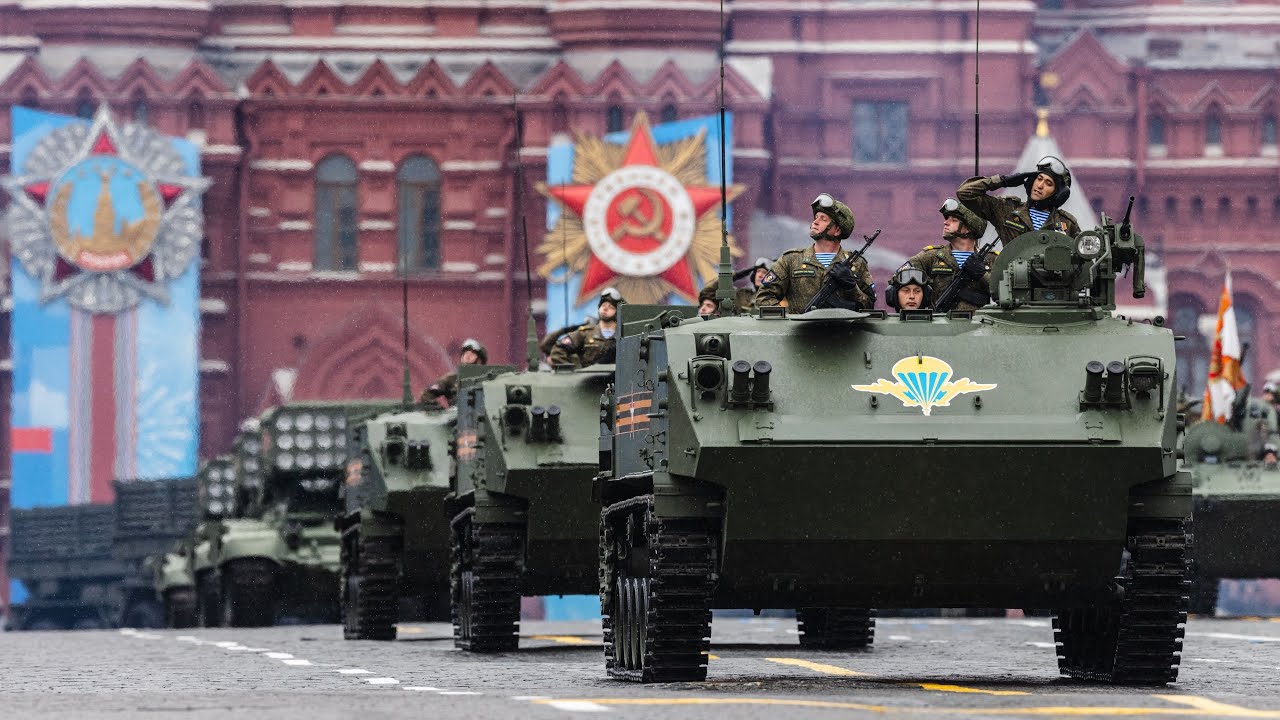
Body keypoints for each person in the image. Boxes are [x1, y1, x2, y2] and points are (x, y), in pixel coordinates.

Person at [755, 193, 875, 311]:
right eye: (816, 217)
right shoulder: (790, 260)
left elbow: (869, 306)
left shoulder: (857, 264)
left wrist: (852, 287)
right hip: (801, 330)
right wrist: (792, 319)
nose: (815, 222)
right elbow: (763, 298)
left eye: (823, 219)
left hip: (844, 330)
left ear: (837, 230)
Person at [956, 155, 1081, 245]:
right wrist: (1003, 181)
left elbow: (1083, 263)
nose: (1040, 185)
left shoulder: (1067, 224)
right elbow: (965, 193)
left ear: (1057, 194)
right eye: (1039, 178)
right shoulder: (1007, 210)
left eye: (1048, 183)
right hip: (1013, 279)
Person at [902, 199, 995, 312]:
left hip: (981, 325)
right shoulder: (931, 257)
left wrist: (983, 275)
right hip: (939, 324)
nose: (945, 222)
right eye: (947, 219)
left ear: (968, 228)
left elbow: (1010, 294)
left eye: (954, 220)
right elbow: (899, 283)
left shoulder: (991, 260)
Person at [549, 288, 623, 367]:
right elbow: (558, 350)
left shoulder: (624, 335)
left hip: (617, 378)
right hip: (590, 378)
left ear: (617, 312)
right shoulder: (585, 333)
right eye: (603, 305)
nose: (605, 309)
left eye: (611, 307)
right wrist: (571, 373)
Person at [423, 338, 487, 407]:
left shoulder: (488, 381)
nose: (467, 356)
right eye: (465, 353)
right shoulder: (451, 379)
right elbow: (427, 394)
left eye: (472, 354)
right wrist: (440, 412)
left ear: (479, 360)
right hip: (457, 416)